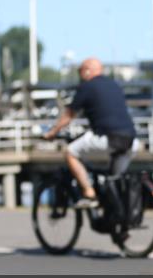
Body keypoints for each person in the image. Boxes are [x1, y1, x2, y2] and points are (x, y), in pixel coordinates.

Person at [44, 57, 138, 208]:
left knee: (70, 152)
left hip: (108, 139)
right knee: (113, 182)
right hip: (131, 141)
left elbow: (69, 115)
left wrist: (52, 132)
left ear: (87, 70)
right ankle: (116, 217)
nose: (80, 75)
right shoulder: (114, 85)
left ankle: (89, 193)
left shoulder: (87, 87)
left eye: (80, 71)